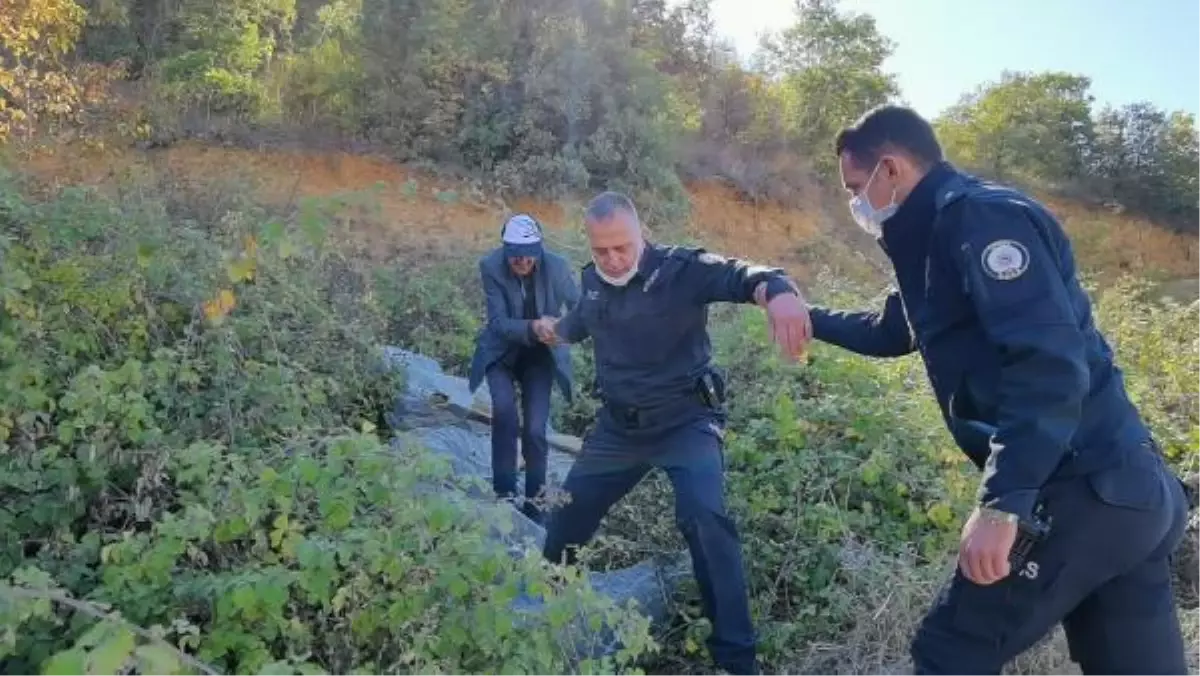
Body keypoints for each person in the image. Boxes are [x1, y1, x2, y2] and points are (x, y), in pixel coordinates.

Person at [806, 104, 1190, 675]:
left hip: (1080, 488)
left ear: (890, 169)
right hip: (1126, 491)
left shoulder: (982, 222)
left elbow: (1050, 367)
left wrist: (1003, 503)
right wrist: (803, 316)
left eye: (856, 187)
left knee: (949, 654)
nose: (855, 203)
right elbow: (895, 329)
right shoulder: (934, 235)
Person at [531, 191, 810, 676]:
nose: (613, 259)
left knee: (705, 519)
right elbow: (579, 322)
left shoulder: (682, 269)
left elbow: (742, 275)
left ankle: (737, 661)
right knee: (565, 521)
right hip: (618, 431)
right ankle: (547, 613)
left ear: (642, 235)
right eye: (601, 251)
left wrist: (778, 289)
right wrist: (551, 329)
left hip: (686, 424)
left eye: (623, 247)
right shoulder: (592, 283)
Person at [467, 213, 580, 524]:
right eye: (514, 254)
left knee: (534, 430)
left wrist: (563, 329)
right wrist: (533, 325)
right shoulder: (490, 266)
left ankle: (536, 507)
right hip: (501, 353)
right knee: (504, 413)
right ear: (505, 250)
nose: (521, 261)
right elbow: (499, 323)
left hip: (539, 357)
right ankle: (503, 497)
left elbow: (580, 306)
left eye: (527, 254)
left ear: (539, 250)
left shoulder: (556, 266)